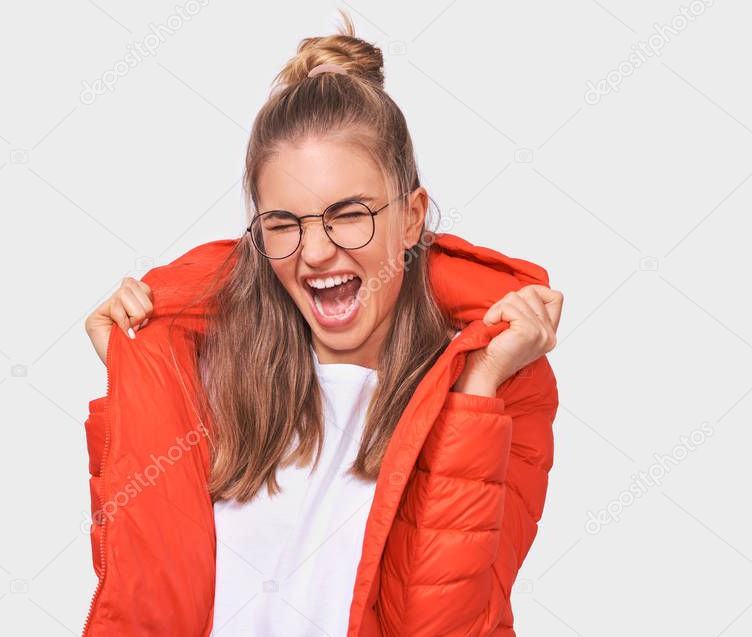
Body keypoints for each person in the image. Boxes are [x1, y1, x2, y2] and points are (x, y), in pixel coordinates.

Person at [79, 10, 563, 636]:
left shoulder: (498, 386)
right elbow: (140, 599)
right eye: (284, 223)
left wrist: (476, 392)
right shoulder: (210, 375)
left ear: (412, 217)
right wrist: (134, 372)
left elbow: (447, 622)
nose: (314, 252)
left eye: (349, 213)